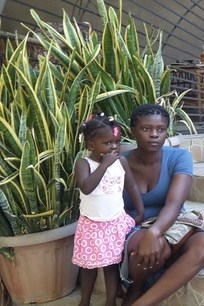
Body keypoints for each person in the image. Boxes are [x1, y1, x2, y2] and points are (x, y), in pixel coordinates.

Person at [121, 104, 204, 306]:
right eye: (146, 129)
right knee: (156, 247)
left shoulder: (179, 157)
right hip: (133, 227)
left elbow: (175, 203)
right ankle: (135, 287)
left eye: (161, 129)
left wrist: (154, 232)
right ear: (133, 131)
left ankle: (141, 303)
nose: (154, 135)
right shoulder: (120, 162)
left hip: (171, 223)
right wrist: (149, 234)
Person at [73, 113, 144, 306]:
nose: (114, 147)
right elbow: (86, 187)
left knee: (111, 267)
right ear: (90, 145)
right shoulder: (84, 164)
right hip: (91, 225)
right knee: (88, 268)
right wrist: (103, 165)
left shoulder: (121, 162)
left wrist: (139, 211)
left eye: (117, 142)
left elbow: (132, 187)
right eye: (107, 143)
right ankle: (84, 302)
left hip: (114, 223)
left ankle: (110, 302)